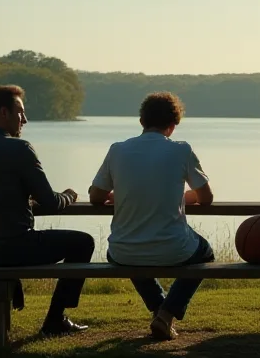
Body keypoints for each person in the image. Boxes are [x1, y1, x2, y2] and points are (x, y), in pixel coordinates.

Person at [0, 84, 94, 337]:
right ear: (4, 113)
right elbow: (51, 203)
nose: (25, 120)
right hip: (13, 248)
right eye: (21, 113)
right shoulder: (20, 149)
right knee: (83, 243)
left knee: (20, 243)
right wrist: (68, 196)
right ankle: (55, 319)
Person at [88, 91, 215, 341]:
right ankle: (165, 314)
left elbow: (95, 197)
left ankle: (159, 311)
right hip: (174, 249)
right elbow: (206, 198)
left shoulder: (117, 150)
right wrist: (180, 196)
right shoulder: (181, 150)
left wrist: (122, 193)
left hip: (122, 251)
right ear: (173, 125)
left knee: (132, 254)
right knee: (206, 254)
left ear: (141, 122)